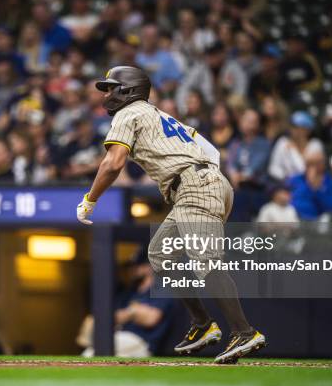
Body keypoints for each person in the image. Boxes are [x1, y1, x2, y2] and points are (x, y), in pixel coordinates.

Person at [77, 66, 266, 364]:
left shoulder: (130, 112)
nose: (107, 94)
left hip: (196, 185)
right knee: (160, 255)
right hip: (204, 183)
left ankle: (245, 332)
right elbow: (210, 151)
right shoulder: (159, 115)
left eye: (112, 88)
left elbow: (113, 164)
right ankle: (203, 324)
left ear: (129, 89)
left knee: (206, 261)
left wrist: (90, 199)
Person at [79, 249, 174, 357]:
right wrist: (135, 311)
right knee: (96, 351)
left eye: (138, 265)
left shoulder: (162, 288)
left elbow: (151, 319)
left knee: (94, 352)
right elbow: (117, 316)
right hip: (123, 337)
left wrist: (131, 312)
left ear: (150, 267)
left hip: (143, 342)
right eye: (132, 266)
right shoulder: (131, 291)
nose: (133, 269)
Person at [268, 111, 324, 182]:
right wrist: (287, 177)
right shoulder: (282, 142)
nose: (293, 130)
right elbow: (273, 168)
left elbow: (306, 169)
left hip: (310, 185)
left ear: (307, 131)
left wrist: (293, 150)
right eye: (292, 126)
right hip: (286, 184)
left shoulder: (315, 144)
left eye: (297, 127)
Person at [287, 147, 332, 220]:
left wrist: (316, 189)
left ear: (322, 164)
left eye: (313, 164)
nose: (309, 168)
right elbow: (284, 195)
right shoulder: (295, 179)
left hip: (315, 221)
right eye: (307, 164)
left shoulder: (331, 184)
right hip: (292, 219)